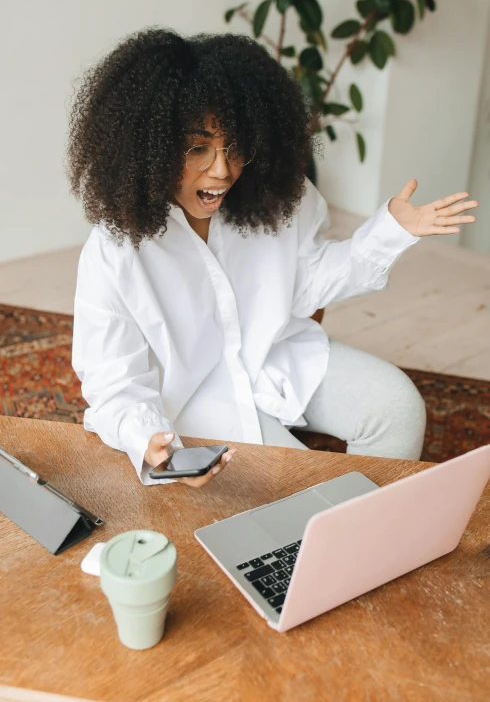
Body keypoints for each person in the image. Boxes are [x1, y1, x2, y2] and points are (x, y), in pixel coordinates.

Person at [68, 27, 478, 488]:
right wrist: (148, 440)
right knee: (297, 484)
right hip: (198, 398)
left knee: (398, 407)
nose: (222, 170)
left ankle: (364, 528)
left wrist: (389, 232)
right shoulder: (115, 251)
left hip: (276, 357)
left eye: (235, 147)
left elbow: (312, 284)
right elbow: (112, 383)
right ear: (149, 148)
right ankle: (344, 528)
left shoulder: (278, 198)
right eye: (196, 148)